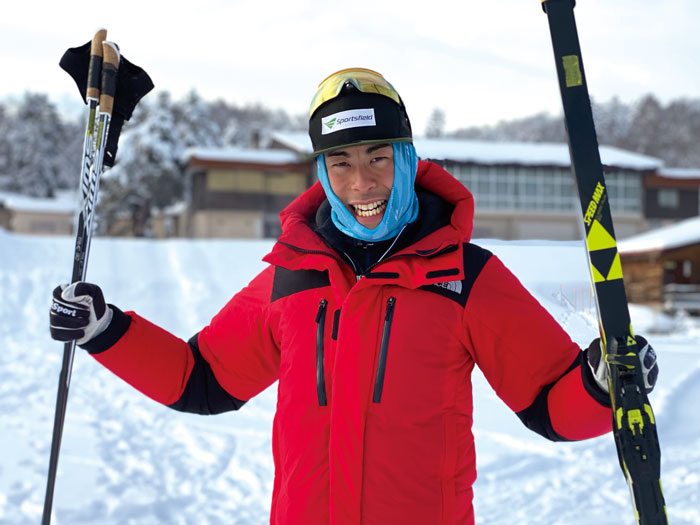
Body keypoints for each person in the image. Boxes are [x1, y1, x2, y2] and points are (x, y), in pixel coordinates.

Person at [49, 68, 659, 525]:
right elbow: (201, 379)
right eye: (339, 162)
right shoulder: (291, 277)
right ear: (321, 171)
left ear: (407, 156)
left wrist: (603, 383)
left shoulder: (466, 277)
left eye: (377, 157)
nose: (361, 181)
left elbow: (552, 405)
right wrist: (106, 330)